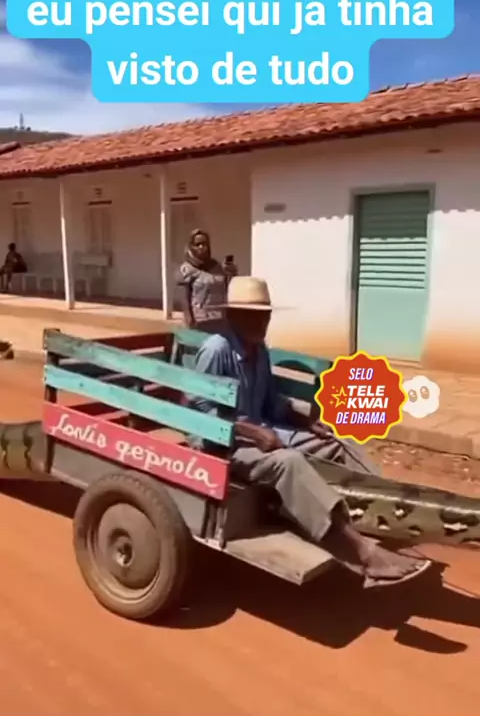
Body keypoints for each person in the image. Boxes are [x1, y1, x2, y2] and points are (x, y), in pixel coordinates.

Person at [192, 276, 432, 589]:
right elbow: (199, 411)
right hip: (225, 443)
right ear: (233, 316)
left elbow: (272, 402)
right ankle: (362, 553)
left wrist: (307, 423)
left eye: (265, 315)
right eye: (252, 315)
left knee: (336, 442)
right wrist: (253, 432)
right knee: (288, 463)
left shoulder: (259, 350)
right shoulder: (216, 350)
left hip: (266, 432)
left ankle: (384, 511)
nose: (261, 323)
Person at [175, 229, 237, 333]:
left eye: (204, 244)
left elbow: (226, 288)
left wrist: (230, 274)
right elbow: (184, 299)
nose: (201, 247)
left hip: (220, 319)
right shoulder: (186, 269)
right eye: (197, 244)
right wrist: (189, 320)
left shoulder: (217, 267)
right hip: (199, 321)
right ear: (191, 246)